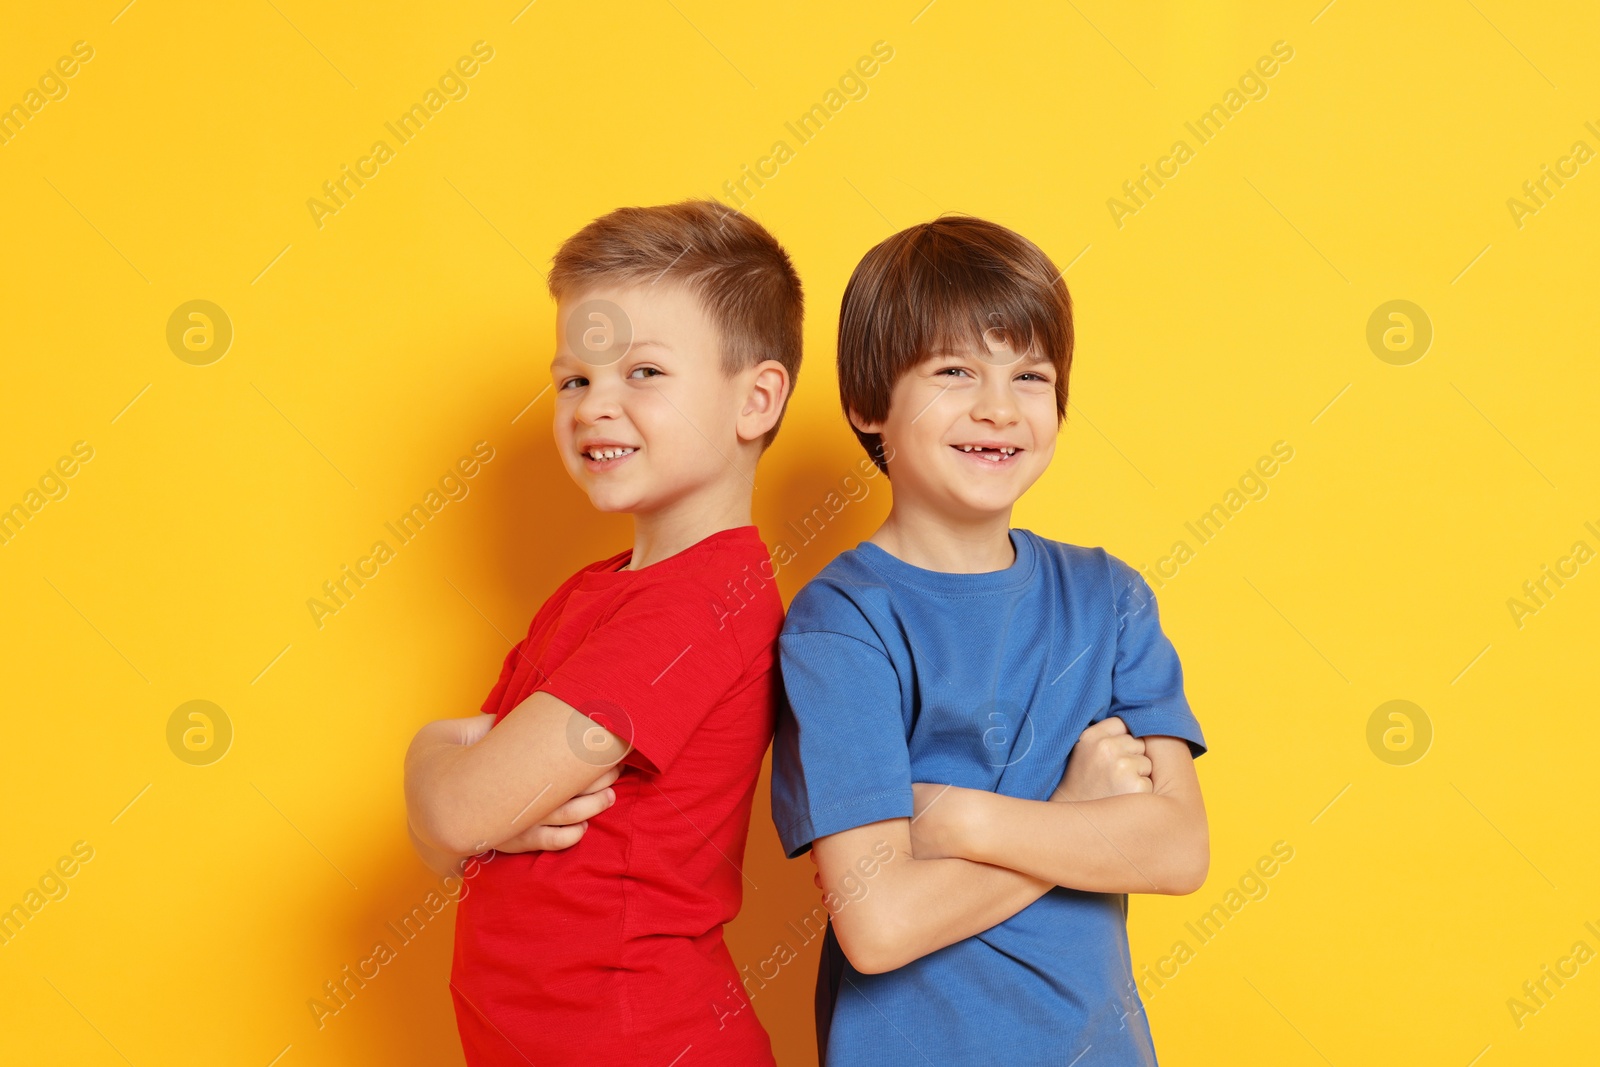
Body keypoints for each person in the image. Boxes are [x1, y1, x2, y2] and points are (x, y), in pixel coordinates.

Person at [771, 214, 1210, 1065]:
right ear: (870, 404)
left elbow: (1176, 847)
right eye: (954, 371)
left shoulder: (1110, 598)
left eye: (1030, 374)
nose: (999, 406)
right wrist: (1073, 817)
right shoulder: (843, 621)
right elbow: (879, 923)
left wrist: (954, 812)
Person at [404, 200, 803, 1065]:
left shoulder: (702, 602)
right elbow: (460, 819)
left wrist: (435, 779)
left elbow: (464, 808)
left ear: (756, 398)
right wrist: (448, 783)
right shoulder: (597, 592)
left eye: (644, 373)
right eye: (575, 380)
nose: (594, 407)